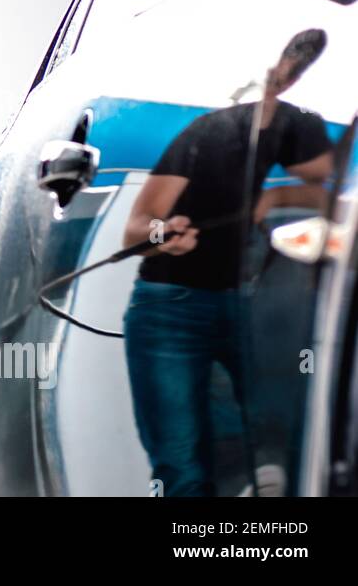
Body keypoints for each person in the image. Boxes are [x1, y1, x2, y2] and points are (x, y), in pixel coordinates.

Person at [120, 28, 333, 496]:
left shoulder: (303, 127)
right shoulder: (206, 133)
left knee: (283, 445)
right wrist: (164, 234)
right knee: (184, 466)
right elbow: (138, 227)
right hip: (172, 307)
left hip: (248, 306)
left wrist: (274, 201)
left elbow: (332, 187)